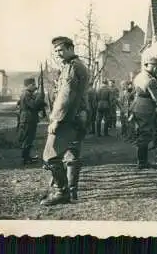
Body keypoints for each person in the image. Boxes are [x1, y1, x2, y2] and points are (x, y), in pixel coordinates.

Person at [40, 36, 89, 206]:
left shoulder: (72, 68)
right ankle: (70, 191)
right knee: (72, 154)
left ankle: (62, 192)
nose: (58, 54)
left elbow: (65, 97)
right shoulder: (76, 66)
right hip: (76, 117)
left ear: (70, 48)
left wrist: (56, 120)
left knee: (50, 156)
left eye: (61, 50)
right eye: (56, 51)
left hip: (67, 118)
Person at [130, 57, 157, 169]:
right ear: (152, 66)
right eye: (156, 67)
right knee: (145, 134)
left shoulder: (139, 76)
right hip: (146, 107)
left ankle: (142, 161)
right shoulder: (150, 79)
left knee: (141, 133)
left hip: (137, 105)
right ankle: (142, 162)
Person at [18, 77, 45, 165]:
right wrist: (38, 97)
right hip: (27, 119)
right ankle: (25, 159)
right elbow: (33, 105)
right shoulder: (26, 94)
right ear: (28, 85)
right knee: (27, 139)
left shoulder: (28, 93)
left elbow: (36, 105)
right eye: (33, 85)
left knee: (30, 139)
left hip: (29, 119)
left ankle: (27, 157)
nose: (35, 86)